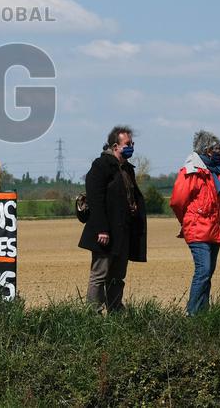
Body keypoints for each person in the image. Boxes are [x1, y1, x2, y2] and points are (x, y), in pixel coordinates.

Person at [77, 125, 147, 313]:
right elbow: (96, 199)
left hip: (123, 231)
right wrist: (102, 229)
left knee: (117, 276)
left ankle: (115, 310)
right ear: (115, 146)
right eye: (128, 144)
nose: (131, 146)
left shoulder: (126, 169)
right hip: (105, 232)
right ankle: (93, 313)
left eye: (132, 143)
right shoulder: (101, 166)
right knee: (99, 275)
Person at [169, 130, 220, 315]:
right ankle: (192, 313)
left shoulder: (217, 172)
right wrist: (187, 220)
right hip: (197, 229)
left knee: (208, 274)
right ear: (206, 150)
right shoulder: (191, 171)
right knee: (203, 271)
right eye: (216, 149)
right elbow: (177, 201)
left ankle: (203, 313)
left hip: (214, 228)